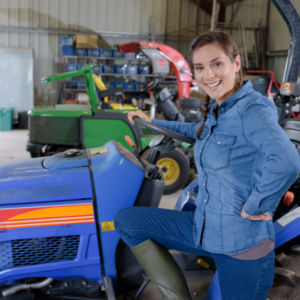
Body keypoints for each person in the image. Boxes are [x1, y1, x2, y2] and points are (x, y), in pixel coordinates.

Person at [114, 31, 300, 300]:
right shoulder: (219, 107)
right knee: (127, 220)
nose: (208, 75)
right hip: (205, 229)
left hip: (241, 246)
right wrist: (151, 123)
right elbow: (197, 130)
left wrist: (257, 204)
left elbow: (288, 161)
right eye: (199, 68)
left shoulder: (252, 109)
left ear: (235, 64)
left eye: (217, 64)